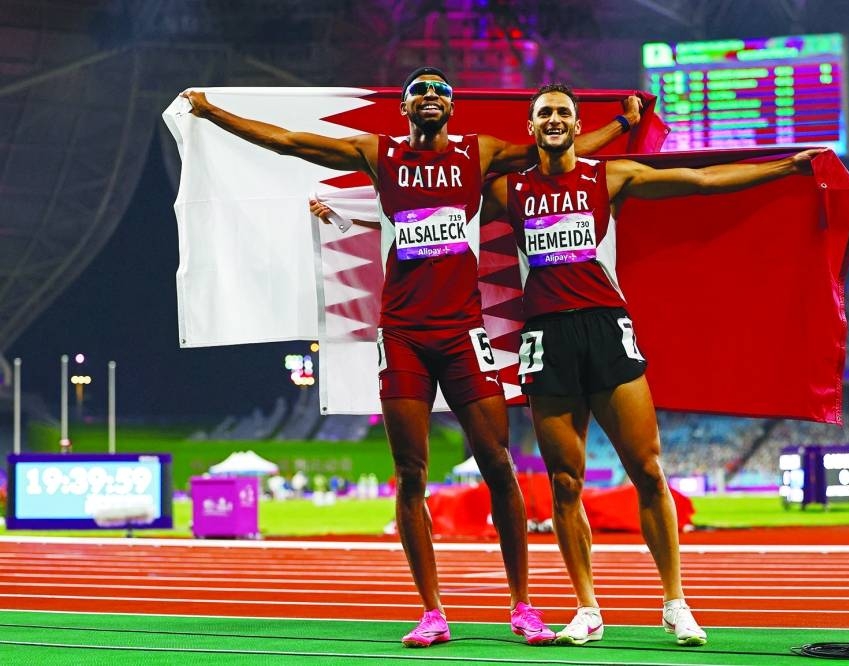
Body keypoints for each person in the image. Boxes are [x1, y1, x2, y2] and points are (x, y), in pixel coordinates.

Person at [182, 68, 640, 648]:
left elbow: (560, 151)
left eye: (440, 91)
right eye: (419, 91)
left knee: (498, 464)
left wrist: (622, 124)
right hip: (401, 334)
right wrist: (213, 114)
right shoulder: (380, 154)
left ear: (451, 107)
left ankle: (523, 606)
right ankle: (432, 612)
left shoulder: (481, 153)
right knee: (410, 474)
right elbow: (292, 142)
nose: (430, 97)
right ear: (405, 108)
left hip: (463, 331)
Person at [484, 83, 825, 647]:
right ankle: (587, 610)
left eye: (563, 113)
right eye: (544, 112)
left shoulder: (607, 177)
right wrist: (340, 214)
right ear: (531, 126)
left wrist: (786, 166)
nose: (554, 120)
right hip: (546, 335)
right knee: (565, 483)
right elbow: (426, 208)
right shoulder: (507, 189)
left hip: (605, 327)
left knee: (648, 470)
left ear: (575, 124)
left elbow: (701, 180)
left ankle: (675, 603)